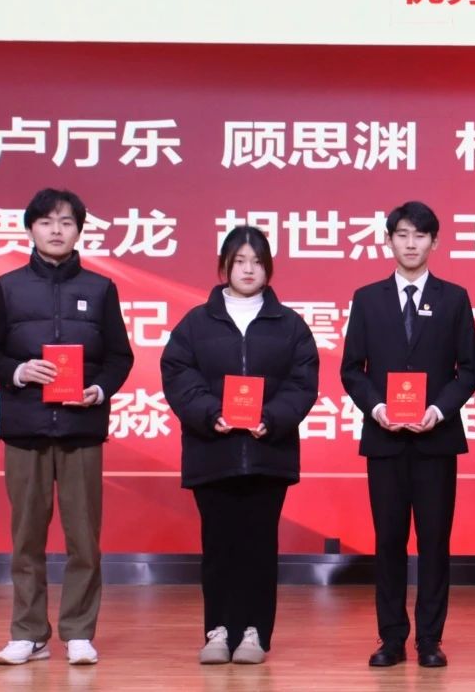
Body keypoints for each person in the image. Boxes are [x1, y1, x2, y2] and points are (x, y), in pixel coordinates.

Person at [0, 188, 134, 666]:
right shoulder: (6, 287)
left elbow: (119, 357)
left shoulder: (100, 289)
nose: (56, 230)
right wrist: (19, 371)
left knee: (84, 538)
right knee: (27, 537)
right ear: (31, 229)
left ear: (79, 231)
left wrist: (99, 390)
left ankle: (79, 632)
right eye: (46, 222)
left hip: (81, 429)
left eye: (67, 222)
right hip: (24, 429)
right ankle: (28, 633)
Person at [161, 226, 319, 665]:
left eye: (257, 262)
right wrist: (211, 413)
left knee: (259, 547)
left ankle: (254, 633)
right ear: (224, 267)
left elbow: (303, 382)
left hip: (268, 455)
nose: (248, 270)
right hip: (213, 452)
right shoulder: (196, 323)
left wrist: (272, 418)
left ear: (268, 269)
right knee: (218, 547)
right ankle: (217, 630)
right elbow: (178, 374)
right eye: (240, 261)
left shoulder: (289, 325)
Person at [341, 201, 475, 668]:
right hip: (385, 440)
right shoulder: (367, 298)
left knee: (434, 543)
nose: (411, 243)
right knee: (389, 543)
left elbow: (468, 369)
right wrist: (378, 408)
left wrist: (438, 410)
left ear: (434, 242)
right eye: (402, 234)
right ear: (389, 241)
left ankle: (430, 640)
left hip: (435, 441)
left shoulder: (454, 298)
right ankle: (391, 638)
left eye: (420, 235)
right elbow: (351, 370)